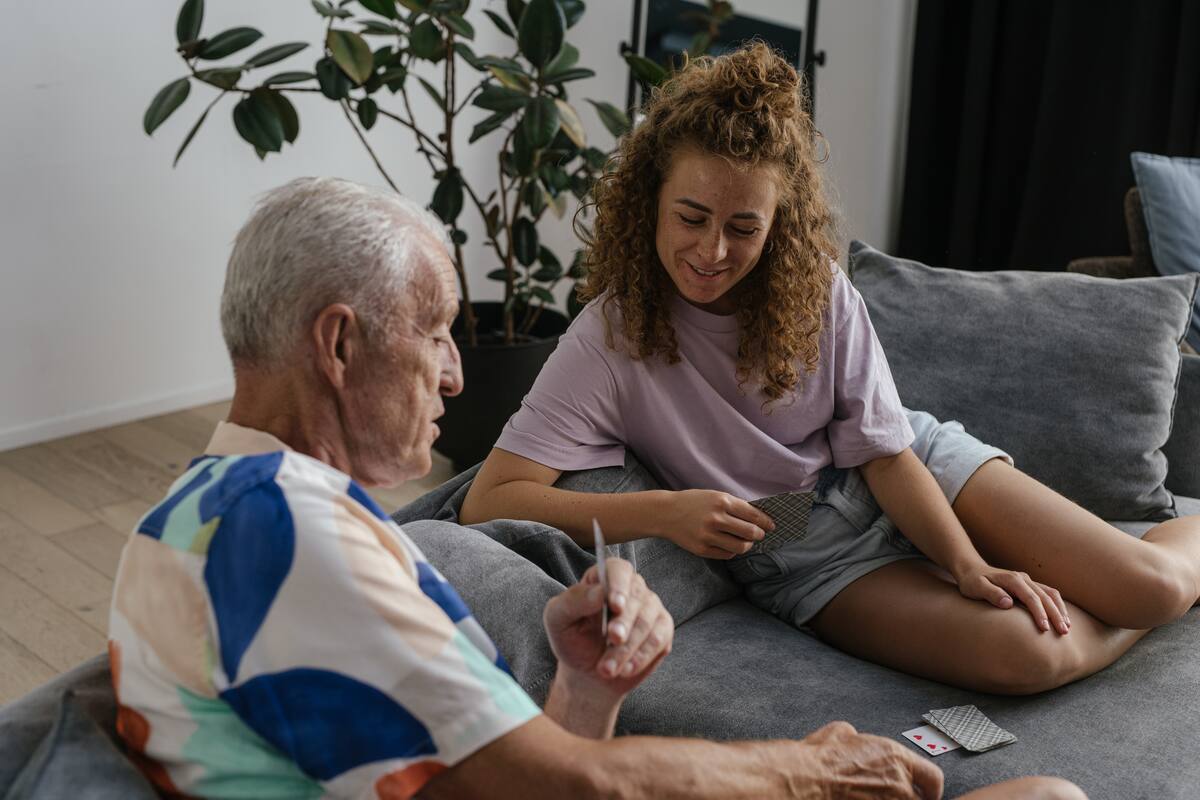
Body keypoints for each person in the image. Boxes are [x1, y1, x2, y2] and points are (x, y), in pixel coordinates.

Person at [107, 177, 1081, 799]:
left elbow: (506, 779)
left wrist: (582, 684)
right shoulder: (283, 532)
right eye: (436, 329)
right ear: (338, 341)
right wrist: (807, 769)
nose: (455, 373)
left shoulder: (214, 510)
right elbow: (572, 787)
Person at [460, 42, 1200, 699]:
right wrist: (668, 511)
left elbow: (881, 451)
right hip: (801, 553)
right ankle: (1114, 590)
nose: (713, 251)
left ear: (777, 223)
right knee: (1034, 656)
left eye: (744, 227)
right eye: (691, 217)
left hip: (917, 468)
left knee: (1156, 587)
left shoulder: (814, 289)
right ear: (650, 199)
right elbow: (490, 499)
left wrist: (969, 565)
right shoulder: (608, 339)